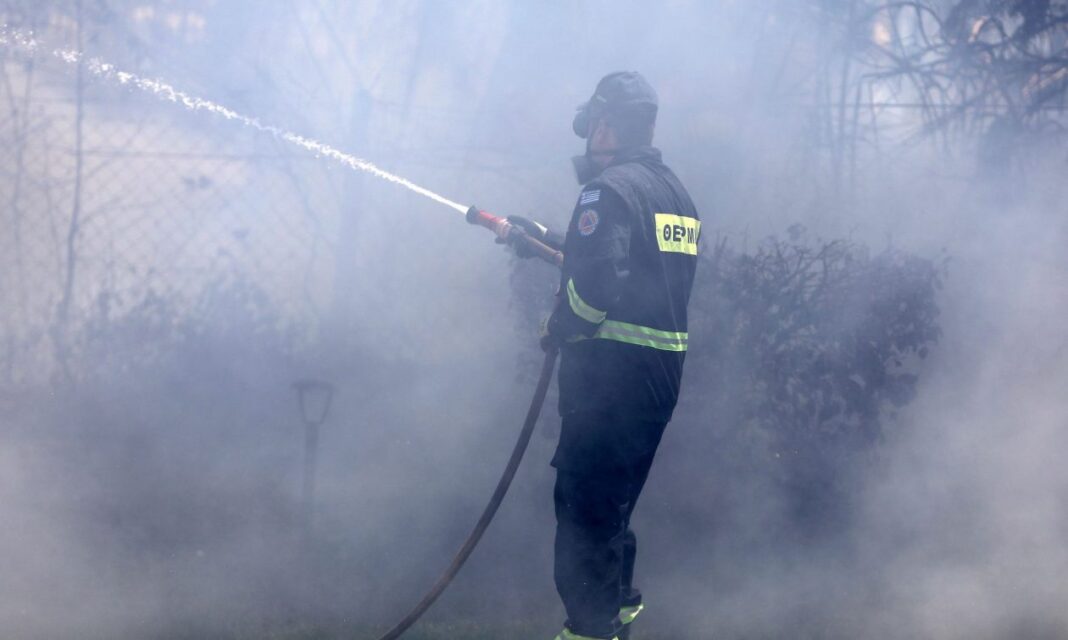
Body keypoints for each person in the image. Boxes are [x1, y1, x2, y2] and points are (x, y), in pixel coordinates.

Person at [504, 71, 700, 640]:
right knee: (612, 511)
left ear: (609, 125)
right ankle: (618, 620)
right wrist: (542, 237)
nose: (591, 136)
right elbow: (625, 261)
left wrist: (558, 325)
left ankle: (592, 632)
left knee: (584, 516)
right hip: (655, 385)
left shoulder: (606, 190)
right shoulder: (674, 194)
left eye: (594, 124)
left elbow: (596, 289)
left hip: (609, 386)